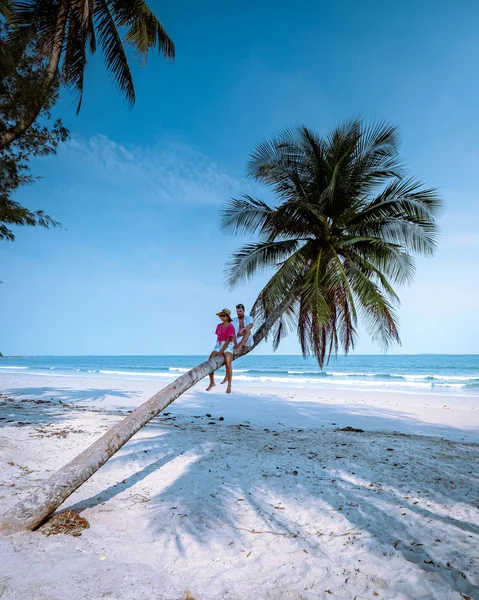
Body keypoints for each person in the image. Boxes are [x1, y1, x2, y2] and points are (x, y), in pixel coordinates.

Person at [206, 308, 235, 394]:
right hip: (218, 344)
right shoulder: (219, 326)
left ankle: (229, 385)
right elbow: (218, 337)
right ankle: (212, 382)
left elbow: (228, 340)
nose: (222, 317)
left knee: (228, 363)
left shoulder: (230, 326)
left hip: (228, 344)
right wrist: (217, 348)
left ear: (228, 317)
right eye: (221, 316)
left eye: (224, 315)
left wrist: (222, 351)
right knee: (209, 360)